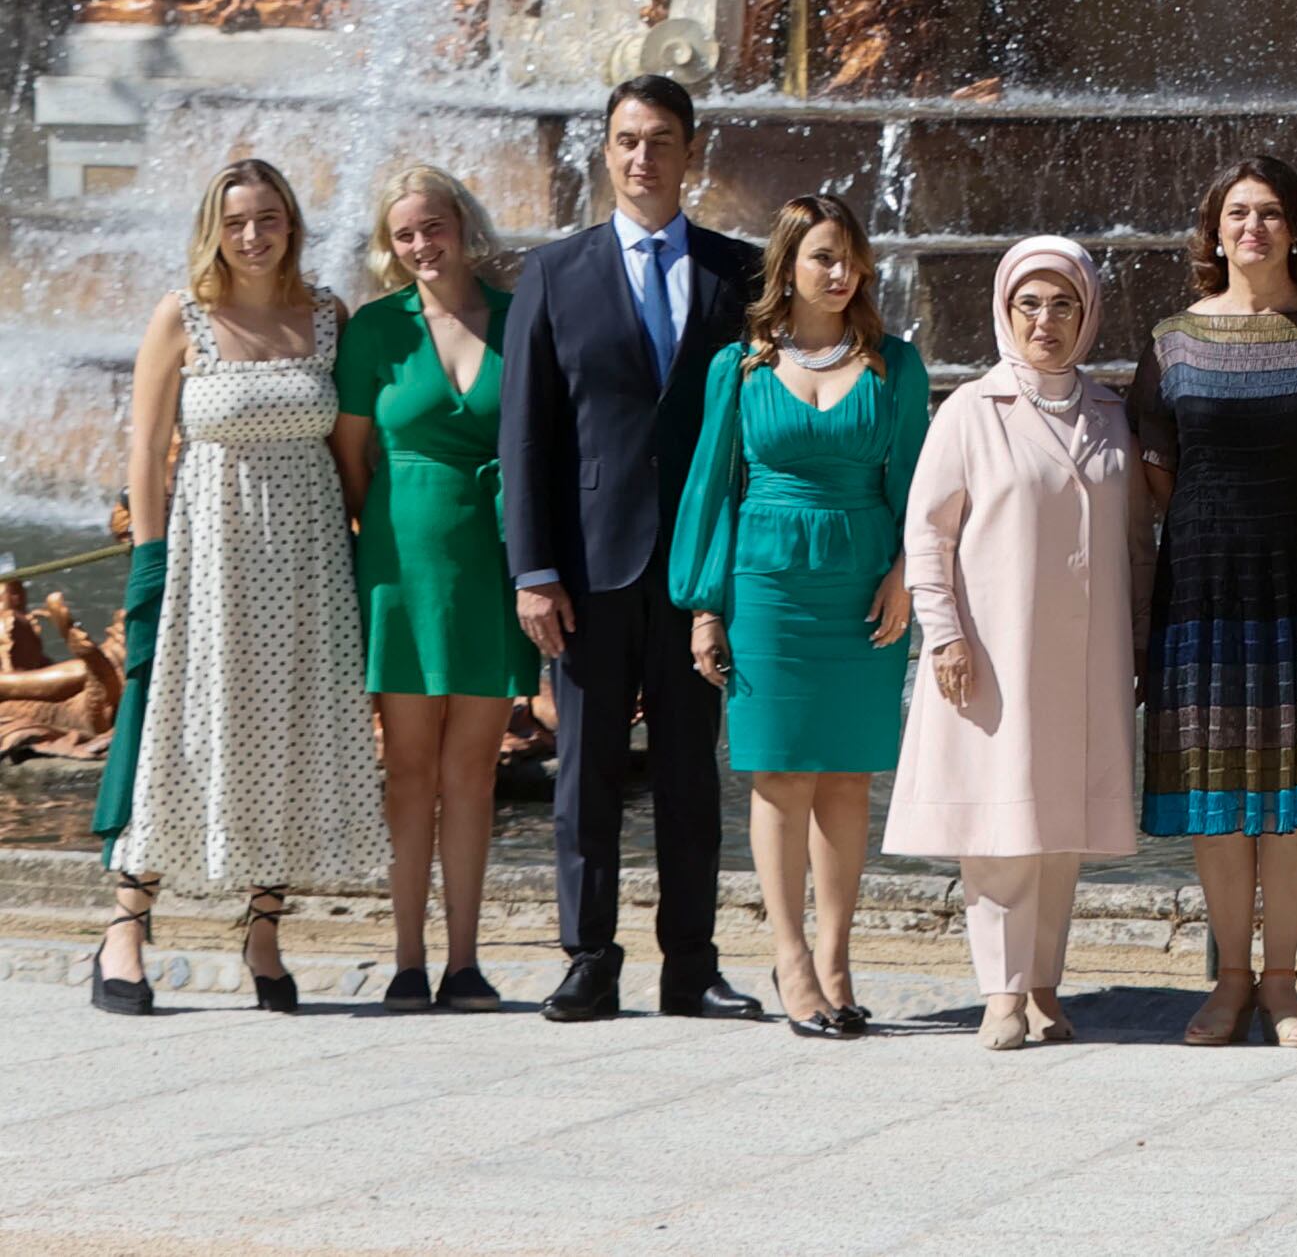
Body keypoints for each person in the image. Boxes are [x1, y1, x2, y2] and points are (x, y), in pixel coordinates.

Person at [88, 158, 384, 1016]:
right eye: (238, 220)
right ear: (214, 229)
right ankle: (126, 924)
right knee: (183, 726)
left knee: (286, 725)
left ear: (292, 223)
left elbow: (349, 451)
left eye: (269, 218)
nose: (253, 236)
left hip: (308, 560)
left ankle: (263, 929)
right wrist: (148, 561)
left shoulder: (329, 315)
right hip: (208, 557)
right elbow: (145, 452)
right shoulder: (182, 316)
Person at [500, 75, 765, 1023]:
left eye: (660, 139)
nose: (642, 156)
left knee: (694, 769)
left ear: (692, 151)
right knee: (588, 771)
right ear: (604, 153)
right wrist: (532, 569)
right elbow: (525, 433)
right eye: (625, 140)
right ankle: (589, 957)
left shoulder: (743, 273)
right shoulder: (553, 272)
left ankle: (691, 962)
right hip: (587, 563)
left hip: (698, 567)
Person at [1135, 158, 1297, 1049]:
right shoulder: (1171, 340)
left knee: (1295, 786)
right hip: (1203, 583)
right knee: (1217, 786)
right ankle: (1230, 980)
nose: (1254, 227)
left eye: (1271, 212)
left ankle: (1282, 981)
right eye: (1237, 212)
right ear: (1214, 229)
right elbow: (1152, 472)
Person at [670, 194, 931, 1039]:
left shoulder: (897, 363)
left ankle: (837, 956)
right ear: (787, 266)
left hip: (861, 583)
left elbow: (921, 487)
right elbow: (711, 489)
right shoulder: (738, 368)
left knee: (848, 777)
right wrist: (706, 607)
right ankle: (788, 957)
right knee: (780, 774)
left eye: (851, 255)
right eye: (823, 255)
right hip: (768, 585)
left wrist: (905, 577)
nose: (841, 270)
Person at [888, 238, 1151, 1052]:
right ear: (1005, 312)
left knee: (1060, 826)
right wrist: (944, 633)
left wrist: (1139, 641)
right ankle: (1000, 994)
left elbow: (1138, 542)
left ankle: (1043, 984)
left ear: (1088, 313)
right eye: (1029, 303)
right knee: (1000, 829)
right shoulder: (971, 409)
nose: (1046, 320)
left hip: (1086, 656)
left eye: (1063, 303)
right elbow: (927, 533)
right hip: (994, 650)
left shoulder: (1111, 415)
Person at [341, 164, 539, 1012]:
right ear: (391, 246)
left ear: (463, 223)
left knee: (474, 773)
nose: (423, 245)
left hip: (489, 561)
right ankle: (406, 960)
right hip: (399, 566)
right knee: (407, 773)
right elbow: (350, 460)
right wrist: (389, 526)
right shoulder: (376, 329)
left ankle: (464, 960)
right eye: (405, 234)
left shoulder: (516, 317)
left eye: (434, 226)